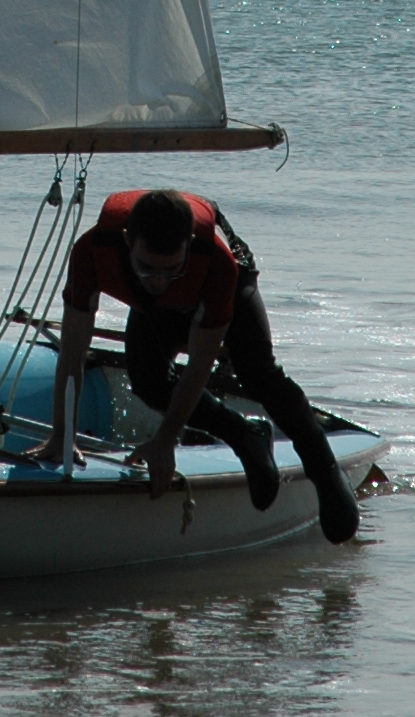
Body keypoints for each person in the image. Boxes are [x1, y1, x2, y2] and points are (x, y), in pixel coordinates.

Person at [34, 186, 360, 544]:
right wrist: (62, 432)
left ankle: (325, 470)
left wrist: (165, 440)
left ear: (188, 244)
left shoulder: (216, 262)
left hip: (224, 290)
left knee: (257, 373)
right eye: (147, 268)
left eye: (170, 269)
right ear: (128, 242)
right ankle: (245, 435)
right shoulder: (92, 251)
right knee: (146, 380)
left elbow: (199, 366)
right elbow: (73, 351)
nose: (158, 280)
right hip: (156, 308)